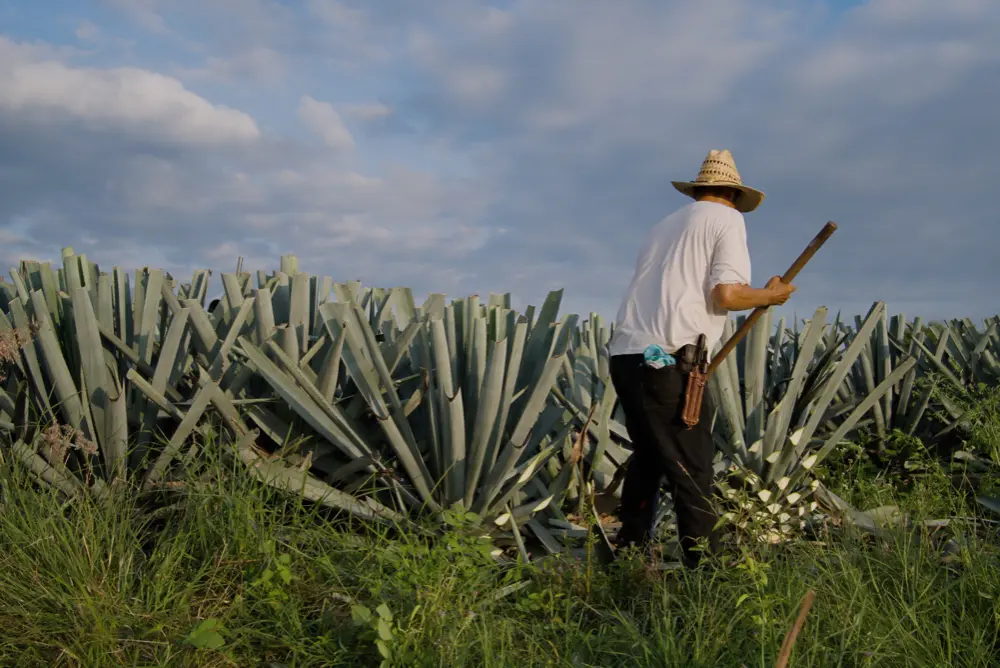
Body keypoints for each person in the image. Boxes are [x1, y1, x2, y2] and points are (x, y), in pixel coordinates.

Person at [608, 148, 796, 568]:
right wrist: (772, 295)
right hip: (671, 359)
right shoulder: (727, 219)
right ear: (732, 193)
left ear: (700, 190)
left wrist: (763, 294)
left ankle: (631, 556)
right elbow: (727, 295)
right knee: (691, 468)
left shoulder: (662, 227)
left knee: (650, 456)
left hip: (626, 354)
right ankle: (706, 574)